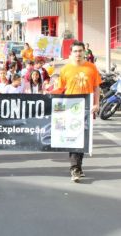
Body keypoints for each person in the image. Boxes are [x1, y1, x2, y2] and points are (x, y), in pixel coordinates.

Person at [56, 41, 101, 183]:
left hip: (87, 108)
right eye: (75, 51)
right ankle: (74, 168)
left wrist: (97, 103)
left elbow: (96, 88)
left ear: (84, 52)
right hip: (70, 108)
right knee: (74, 137)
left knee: (83, 139)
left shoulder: (91, 68)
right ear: (71, 53)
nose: (78, 54)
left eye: (80, 51)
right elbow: (60, 90)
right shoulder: (65, 69)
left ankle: (78, 167)